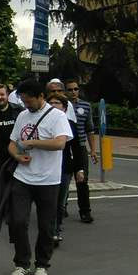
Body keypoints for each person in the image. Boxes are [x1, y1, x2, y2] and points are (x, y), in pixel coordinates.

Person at [7, 79, 72, 275]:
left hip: (48, 180)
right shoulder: (22, 116)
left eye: (29, 101)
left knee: (46, 225)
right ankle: (21, 264)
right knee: (17, 221)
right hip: (22, 177)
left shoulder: (58, 116)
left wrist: (33, 142)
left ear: (41, 96)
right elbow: (12, 143)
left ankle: (42, 264)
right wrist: (17, 156)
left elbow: (60, 143)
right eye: (23, 101)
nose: (26, 104)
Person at [45, 93, 86, 245]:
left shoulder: (70, 125)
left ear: (64, 107)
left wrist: (80, 169)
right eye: (51, 103)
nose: (53, 105)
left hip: (64, 168)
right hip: (46, 167)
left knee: (60, 201)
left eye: (57, 103)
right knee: (48, 201)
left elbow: (77, 149)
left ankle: (55, 230)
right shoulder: (43, 123)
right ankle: (48, 229)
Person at [0, 84, 23, 220]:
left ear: (8, 95)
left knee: (13, 184)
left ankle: (11, 210)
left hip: (14, 153)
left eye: (2, 94)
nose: (0, 97)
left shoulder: (18, 110)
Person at [64, 79, 97, 223]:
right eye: (70, 89)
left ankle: (85, 211)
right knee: (64, 180)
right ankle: (62, 207)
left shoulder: (85, 106)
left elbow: (90, 129)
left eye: (75, 89)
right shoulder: (61, 105)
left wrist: (93, 150)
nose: (73, 92)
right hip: (65, 146)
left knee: (82, 180)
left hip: (81, 147)